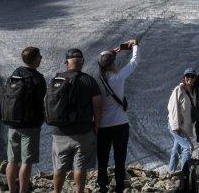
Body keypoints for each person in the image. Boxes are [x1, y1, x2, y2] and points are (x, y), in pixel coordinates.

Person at [49, 48, 103, 193]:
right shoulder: (89, 80)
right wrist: (97, 126)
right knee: (80, 166)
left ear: (66, 63)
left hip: (60, 132)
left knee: (59, 166)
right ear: (82, 62)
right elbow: (98, 106)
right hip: (84, 132)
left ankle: (57, 191)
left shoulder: (56, 80)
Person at [96, 38, 139, 193]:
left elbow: (103, 63)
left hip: (102, 125)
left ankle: (102, 186)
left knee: (102, 158)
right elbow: (134, 62)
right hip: (120, 124)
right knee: (119, 158)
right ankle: (119, 186)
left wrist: (110, 54)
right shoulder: (118, 77)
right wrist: (135, 46)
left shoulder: (98, 80)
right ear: (112, 63)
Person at [2, 46, 46, 193]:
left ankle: (11, 190)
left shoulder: (14, 75)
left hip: (12, 124)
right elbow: (42, 101)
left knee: (12, 160)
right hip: (30, 125)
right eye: (39, 56)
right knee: (26, 161)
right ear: (34, 59)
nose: (41, 58)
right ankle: (23, 191)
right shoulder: (37, 78)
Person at [166, 68, 197, 174]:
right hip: (176, 126)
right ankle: (185, 173)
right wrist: (175, 126)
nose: (190, 78)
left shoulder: (191, 92)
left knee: (176, 148)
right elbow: (172, 107)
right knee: (188, 147)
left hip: (183, 127)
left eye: (192, 76)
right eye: (188, 76)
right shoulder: (178, 89)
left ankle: (170, 171)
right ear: (184, 78)